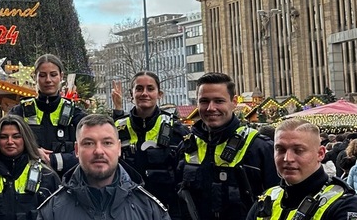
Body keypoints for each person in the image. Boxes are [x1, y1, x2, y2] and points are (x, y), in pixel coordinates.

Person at [177, 72, 279, 220]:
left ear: (234, 101)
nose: (211, 108)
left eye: (219, 101)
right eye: (204, 101)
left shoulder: (259, 148)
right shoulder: (186, 146)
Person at [37, 114, 170, 220]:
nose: (99, 151)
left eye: (107, 143)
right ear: (76, 150)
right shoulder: (52, 211)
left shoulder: (149, 210)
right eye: (89, 143)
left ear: (119, 148)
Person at [246, 118, 357, 219]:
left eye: (298, 150)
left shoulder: (346, 207)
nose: (288, 158)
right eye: (280, 150)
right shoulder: (267, 199)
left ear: (320, 154)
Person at [110, 70, 189, 218]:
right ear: (131, 94)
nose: (144, 93)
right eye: (139, 88)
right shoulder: (116, 130)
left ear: (160, 94)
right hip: (125, 211)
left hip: (168, 211)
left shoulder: (177, 131)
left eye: (150, 88)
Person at [0, 115, 60, 220]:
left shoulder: (47, 176)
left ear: (25, 139)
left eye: (16, 136)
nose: (10, 142)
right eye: (3, 137)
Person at [9, 54, 85, 176]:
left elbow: (87, 150)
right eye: (42, 75)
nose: (48, 80)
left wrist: (53, 160)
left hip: (67, 183)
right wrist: (32, 152)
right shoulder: (19, 112)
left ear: (61, 76)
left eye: (53, 75)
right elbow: (1, 143)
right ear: (35, 77)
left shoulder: (76, 114)